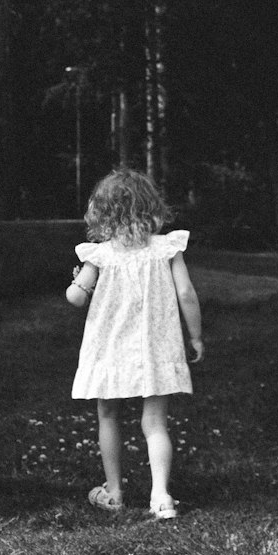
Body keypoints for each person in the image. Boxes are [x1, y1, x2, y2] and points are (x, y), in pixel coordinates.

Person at [65, 168, 204, 520]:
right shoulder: (166, 248)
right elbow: (186, 293)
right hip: (155, 347)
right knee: (156, 422)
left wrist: (78, 282)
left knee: (108, 414)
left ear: (104, 213)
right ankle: (161, 497)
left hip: (109, 348)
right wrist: (196, 335)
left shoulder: (100, 255)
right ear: (150, 207)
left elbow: (75, 298)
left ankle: (113, 492)